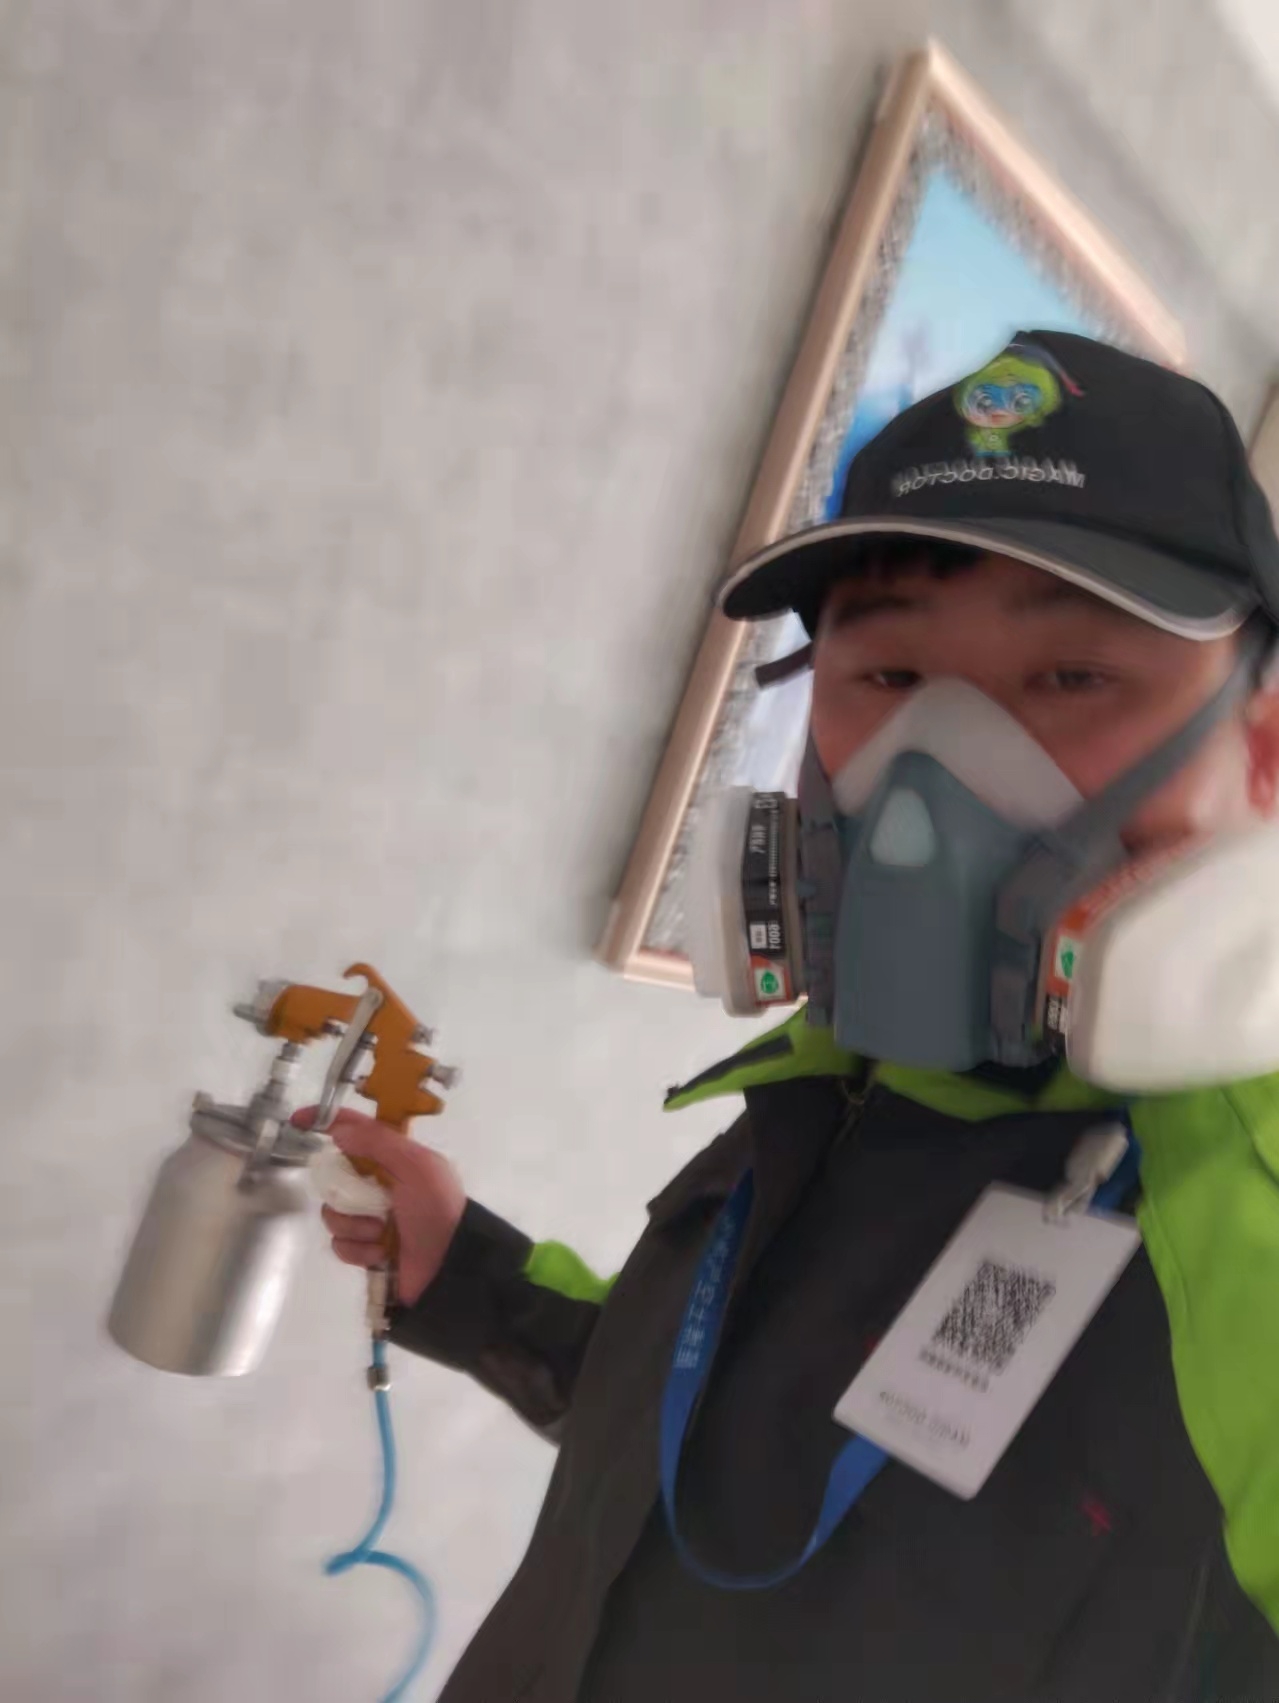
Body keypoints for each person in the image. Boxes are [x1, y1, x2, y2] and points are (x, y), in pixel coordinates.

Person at [307, 332, 1279, 1702]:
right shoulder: (825, 1078)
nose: (941, 771)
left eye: (1071, 678)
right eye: (890, 680)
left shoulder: (1251, 1242)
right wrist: (471, 1281)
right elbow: (707, 1437)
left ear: (1263, 755)